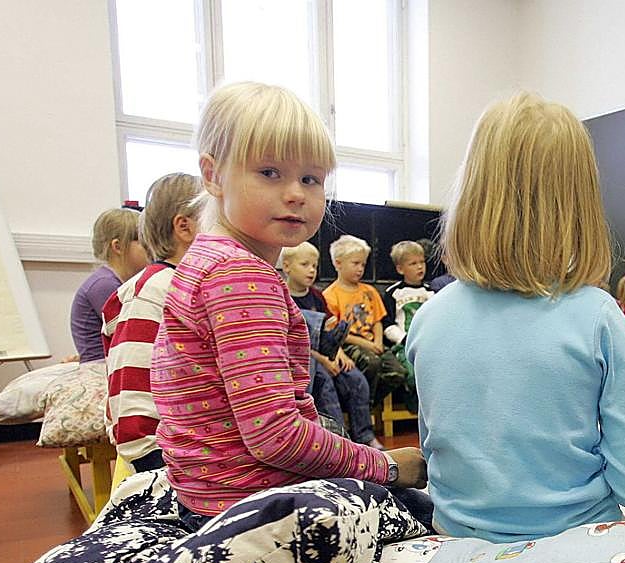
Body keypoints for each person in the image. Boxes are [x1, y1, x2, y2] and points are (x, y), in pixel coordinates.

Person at [150, 81, 425, 524]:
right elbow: (275, 435)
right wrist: (390, 467)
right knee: (428, 513)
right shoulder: (241, 275)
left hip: (207, 493)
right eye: (270, 173)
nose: (296, 193)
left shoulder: (205, 257)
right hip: (249, 508)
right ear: (213, 174)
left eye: (311, 179)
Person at [407, 92, 625, 543]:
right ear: (580, 203)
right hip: (574, 558)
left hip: (457, 562)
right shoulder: (598, 317)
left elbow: (440, 457)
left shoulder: (428, 318)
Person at [101, 173, 204, 472]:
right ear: (184, 227)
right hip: (158, 462)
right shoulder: (154, 290)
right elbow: (131, 383)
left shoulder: (188, 284)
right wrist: (151, 460)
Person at [280, 240, 382, 449]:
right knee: (325, 385)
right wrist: (325, 359)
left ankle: (364, 436)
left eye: (315, 266)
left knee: (358, 382)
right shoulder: (283, 297)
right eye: (305, 265)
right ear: (287, 266)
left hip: (328, 353)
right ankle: (339, 441)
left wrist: (339, 353)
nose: (311, 271)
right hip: (305, 357)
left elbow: (329, 333)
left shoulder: (317, 296)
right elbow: (292, 343)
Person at [323, 234, 408, 404]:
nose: (360, 268)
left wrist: (377, 341)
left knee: (399, 371)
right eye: (355, 263)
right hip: (349, 345)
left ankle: (368, 402)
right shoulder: (330, 295)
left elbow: (377, 320)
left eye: (363, 264)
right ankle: (362, 404)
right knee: (372, 363)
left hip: (374, 343)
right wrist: (368, 345)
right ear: (338, 263)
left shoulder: (370, 291)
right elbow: (337, 334)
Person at [71, 207, 148, 363]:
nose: (150, 248)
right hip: (100, 368)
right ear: (117, 246)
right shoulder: (104, 285)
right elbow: (132, 334)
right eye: (143, 241)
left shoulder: (113, 281)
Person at [381, 239, 434, 410]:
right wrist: (404, 340)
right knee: (412, 373)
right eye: (413, 263)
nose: (420, 267)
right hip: (404, 344)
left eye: (422, 262)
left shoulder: (432, 292)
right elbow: (388, 324)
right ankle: (414, 406)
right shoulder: (393, 293)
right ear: (400, 269)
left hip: (431, 343)